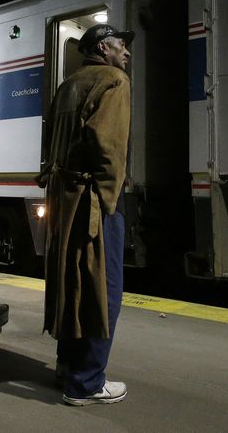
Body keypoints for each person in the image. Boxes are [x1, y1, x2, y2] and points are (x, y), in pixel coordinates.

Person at [36, 23, 133, 406]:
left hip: (64, 196)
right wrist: (111, 199)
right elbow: (108, 146)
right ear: (102, 48)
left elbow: (53, 140)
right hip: (93, 200)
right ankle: (87, 382)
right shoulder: (114, 81)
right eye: (120, 45)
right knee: (101, 288)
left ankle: (67, 365)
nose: (126, 53)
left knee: (70, 280)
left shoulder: (68, 85)